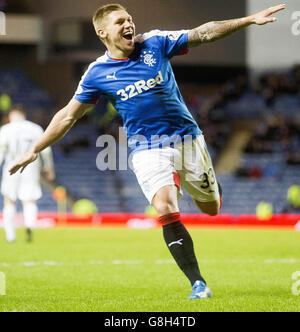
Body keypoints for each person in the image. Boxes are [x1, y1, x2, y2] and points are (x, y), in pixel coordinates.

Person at [9, 3, 285, 299]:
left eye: (130, 19)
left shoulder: (155, 42)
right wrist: (36, 149)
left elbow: (202, 33)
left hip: (188, 141)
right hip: (146, 148)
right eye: (120, 22)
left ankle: (203, 186)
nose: (129, 24)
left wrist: (248, 20)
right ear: (102, 32)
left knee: (211, 209)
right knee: (165, 206)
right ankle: (198, 283)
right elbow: (68, 116)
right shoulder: (97, 74)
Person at [0, 106, 55, 242]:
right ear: (23, 116)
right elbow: (46, 150)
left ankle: (10, 234)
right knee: (29, 200)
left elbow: (1, 151)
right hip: (31, 167)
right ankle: (29, 225)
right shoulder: (35, 128)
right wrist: (49, 167)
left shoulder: (6, 129)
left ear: (12, 116)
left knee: (9, 201)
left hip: (11, 166)